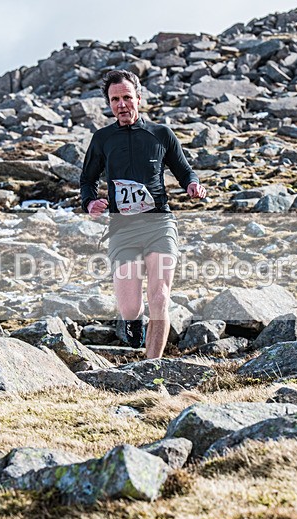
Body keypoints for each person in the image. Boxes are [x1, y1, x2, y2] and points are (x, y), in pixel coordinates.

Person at [80, 69, 206, 359]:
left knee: (160, 296)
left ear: (139, 98)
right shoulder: (102, 139)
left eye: (126, 97)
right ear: (109, 104)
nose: (121, 104)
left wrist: (193, 184)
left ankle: (153, 367)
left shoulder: (161, 134)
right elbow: (87, 180)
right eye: (115, 100)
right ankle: (134, 328)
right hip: (122, 229)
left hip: (159, 223)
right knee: (129, 307)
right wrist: (90, 202)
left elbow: (184, 169)